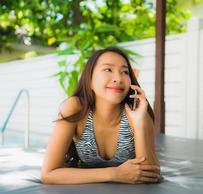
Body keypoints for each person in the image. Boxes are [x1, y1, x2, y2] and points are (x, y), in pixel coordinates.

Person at [41, 47, 160, 184]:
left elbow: (149, 175)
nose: (118, 78)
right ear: (90, 79)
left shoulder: (136, 111)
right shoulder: (75, 108)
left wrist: (140, 123)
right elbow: (48, 174)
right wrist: (115, 174)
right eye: (108, 69)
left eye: (124, 72)